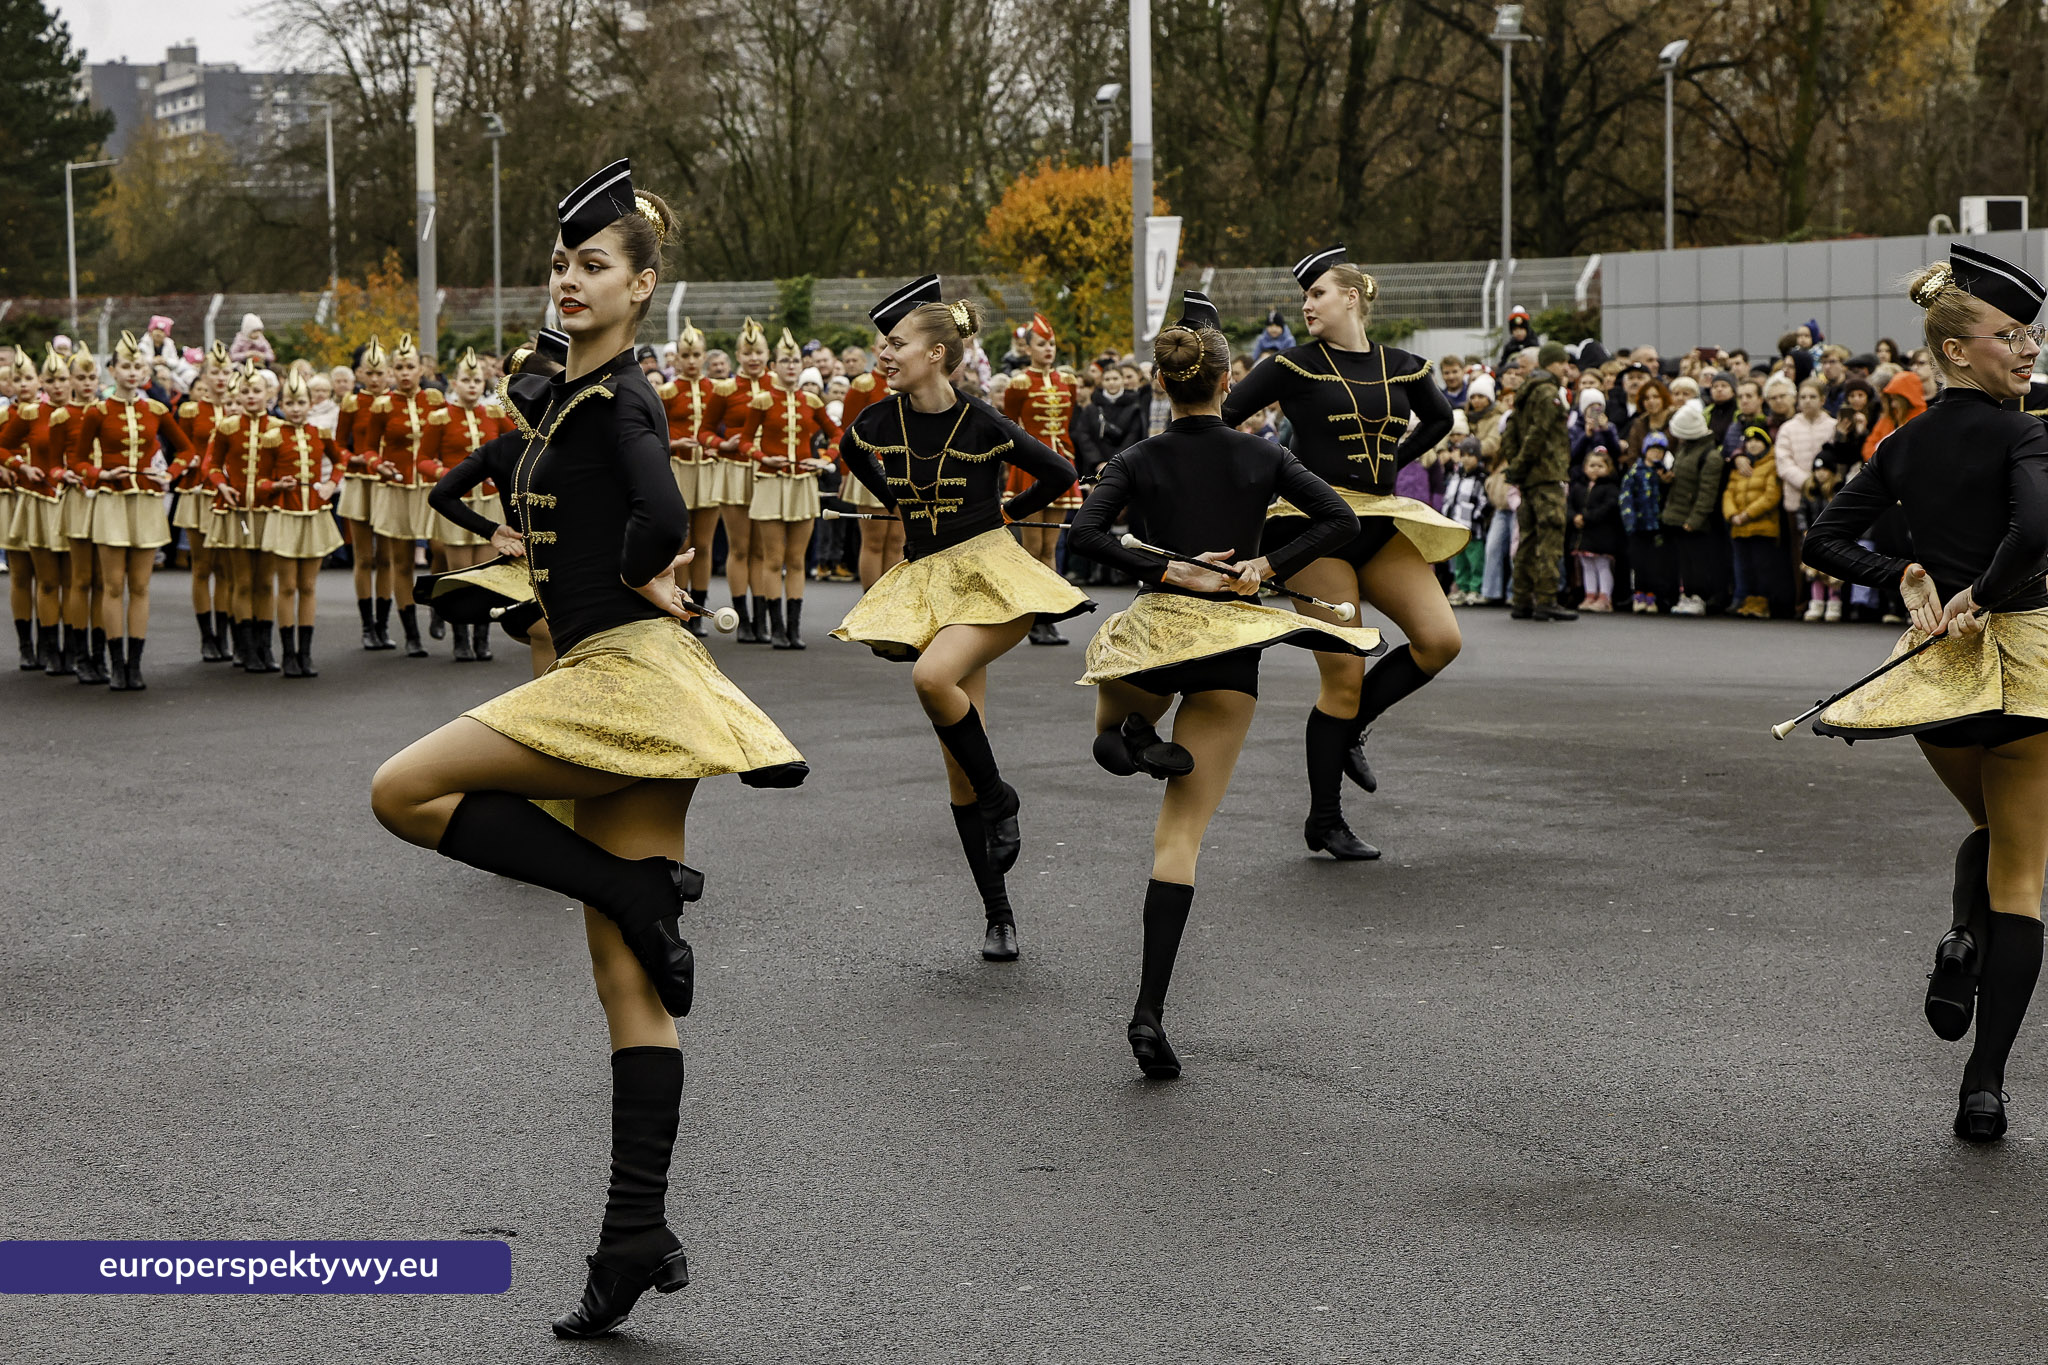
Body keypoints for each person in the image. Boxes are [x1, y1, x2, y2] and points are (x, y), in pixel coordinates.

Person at [377, 160, 808, 1339]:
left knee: (401, 790)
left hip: (615, 675)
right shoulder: (567, 392)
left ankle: (633, 887)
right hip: (630, 683)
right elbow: (566, 489)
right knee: (626, 977)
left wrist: (631, 578)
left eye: (595, 266)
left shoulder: (619, 396)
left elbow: (664, 518)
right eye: (562, 264)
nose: (570, 280)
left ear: (643, 286)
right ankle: (633, 1234)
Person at [1069, 312, 1380, 1078]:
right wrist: (1265, 568)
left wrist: (1167, 569)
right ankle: (1148, 1012)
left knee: (1109, 730)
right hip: (1230, 643)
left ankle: (1130, 738)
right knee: (1179, 841)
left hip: (1156, 634)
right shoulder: (1262, 454)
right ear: (1227, 382)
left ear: (1161, 384)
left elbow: (1084, 534)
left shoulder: (1138, 457)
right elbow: (1339, 519)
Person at [1801, 243, 2048, 1143]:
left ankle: (1958, 938)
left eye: (2032, 335)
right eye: (2011, 336)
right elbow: (2038, 528)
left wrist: (1901, 570)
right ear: (1956, 350)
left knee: (1992, 830)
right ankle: (1983, 1084)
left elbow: (1823, 539)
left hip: (1936, 673)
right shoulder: (2025, 431)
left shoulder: (1901, 442)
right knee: (2019, 870)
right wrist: (1983, 591)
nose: (2028, 349)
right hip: (2023, 665)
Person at [833, 274, 1093, 961]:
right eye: (881, 345)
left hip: (990, 579)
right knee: (957, 768)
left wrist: (1006, 512)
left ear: (937, 355)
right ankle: (998, 913)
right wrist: (893, 497)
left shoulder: (983, 421)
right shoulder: (877, 420)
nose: (882, 355)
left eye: (895, 344)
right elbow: (848, 453)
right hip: (926, 588)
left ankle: (1002, 796)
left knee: (930, 678)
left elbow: (1061, 474)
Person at [1218, 245, 1461, 860]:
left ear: (1351, 296)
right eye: (1305, 297)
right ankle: (1325, 820)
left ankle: (1348, 731)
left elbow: (1440, 420)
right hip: (1312, 528)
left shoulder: (1403, 365)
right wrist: (1271, 475)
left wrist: (1395, 464)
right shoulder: (1290, 366)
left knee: (1441, 640)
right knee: (1345, 675)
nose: (1307, 305)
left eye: (1318, 294)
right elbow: (1219, 420)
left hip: (1380, 523)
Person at [71, 331, 194, 691]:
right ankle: (114, 662)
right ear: (112, 370)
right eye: (125, 366)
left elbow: (186, 451)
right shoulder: (97, 411)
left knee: (140, 586)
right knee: (112, 586)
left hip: (145, 503)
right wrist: (99, 474)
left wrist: (168, 474)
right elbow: (78, 459)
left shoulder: (155, 409)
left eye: (138, 366)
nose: (132, 371)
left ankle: (134, 665)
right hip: (111, 500)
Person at [739, 327, 840, 648]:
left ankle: (794, 629)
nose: (791, 366)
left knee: (797, 560)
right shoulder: (762, 400)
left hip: (803, 485)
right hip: (770, 483)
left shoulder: (812, 399)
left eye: (796, 361)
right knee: (773, 559)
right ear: (775, 365)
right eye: (785, 361)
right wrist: (761, 457)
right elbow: (744, 441)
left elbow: (837, 435)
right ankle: (777, 627)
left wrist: (824, 459)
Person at [417, 348, 510, 662]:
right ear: (454, 383)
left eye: (476, 380)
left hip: (488, 502)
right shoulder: (440, 416)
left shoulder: (495, 415)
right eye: (465, 380)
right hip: (456, 504)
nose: (472, 385)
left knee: (486, 574)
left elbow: (513, 451)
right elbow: (423, 460)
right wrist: (447, 476)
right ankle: (460, 638)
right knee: (460, 574)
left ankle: (481, 637)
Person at [256, 367, 344, 676]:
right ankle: (288, 653)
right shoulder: (272, 436)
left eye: (301, 402)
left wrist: (331, 484)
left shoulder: (320, 433)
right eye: (289, 403)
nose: (295, 409)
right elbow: (260, 481)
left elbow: (339, 461)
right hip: (285, 516)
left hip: (314, 514)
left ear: (310, 404)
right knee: (288, 587)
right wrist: (276, 486)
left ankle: (305, 654)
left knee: (308, 586)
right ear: (281, 404)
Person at [999, 313, 1081, 642]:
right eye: (1041, 344)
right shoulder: (1018, 382)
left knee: (1051, 546)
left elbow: (1068, 421)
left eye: (1051, 344)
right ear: (1028, 348)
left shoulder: (1068, 381)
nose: (1048, 349)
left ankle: (1049, 613)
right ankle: (1032, 616)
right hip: (1029, 466)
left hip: (1060, 461)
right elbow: (1008, 424)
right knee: (1032, 547)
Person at [367, 334, 444, 658]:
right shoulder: (383, 405)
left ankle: (439, 609)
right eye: (398, 367)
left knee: (441, 550)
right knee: (401, 562)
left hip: (430, 487)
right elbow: (369, 447)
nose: (404, 372)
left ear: (421, 368)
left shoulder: (435, 399)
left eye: (410, 366)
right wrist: (377, 464)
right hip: (397, 489)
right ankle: (411, 633)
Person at [0, 353, 71, 674]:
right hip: (19, 498)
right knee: (22, 575)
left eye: (29, 378)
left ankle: (59, 644)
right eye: (18, 379)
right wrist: (13, 466)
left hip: (55, 496)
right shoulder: (10, 415)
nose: (24, 385)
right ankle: (29, 645)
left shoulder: (61, 413)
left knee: (62, 577)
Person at [654, 319, 722, 631]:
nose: (692, 361)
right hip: (678, 470)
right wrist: (672, 443)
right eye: (686, 355)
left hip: (708, 469)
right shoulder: (666, 392)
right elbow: (651, 436)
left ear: (705, 357)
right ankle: (679, 605)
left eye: (697, 355)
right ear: (677, 358)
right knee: (682, 544)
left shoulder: (717, 390)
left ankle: (701, 611)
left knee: (704, 545)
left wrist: (717, 445)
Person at [1502, 341, 1577, 622]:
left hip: (1530, 478)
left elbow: (1510, 431)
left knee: (1528, 538)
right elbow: (1539, 433)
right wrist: (1521, 464)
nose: (1565, 368)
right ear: (1550, 363)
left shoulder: (1525, 391)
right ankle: (1546, 599)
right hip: (1547, 475)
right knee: (1549, 538)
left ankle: (1521, 599)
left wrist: (1516, 466)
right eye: (1562, 363)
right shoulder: (1548, 392)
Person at [835, 338, 905, 587]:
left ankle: (892, 604)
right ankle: (870, 605)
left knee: (898, 542)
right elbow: (847, 434)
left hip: (904, 469)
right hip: (870, 468)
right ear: (874, 351)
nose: (888, 352)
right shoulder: (863, 385)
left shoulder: (909, 381)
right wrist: (845, 474)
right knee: (874, 541)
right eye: (882, 346)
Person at [340, 339, 393, 649]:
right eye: (369, 373)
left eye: (380, 373)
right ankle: (366, 625)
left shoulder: (395, 402)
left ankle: (383, 625)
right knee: (364, 557)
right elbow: (336, 445)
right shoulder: (351, 403)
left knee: (386, 558)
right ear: (359, 374)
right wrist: (351, 459)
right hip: (360, 483)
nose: (375, 379)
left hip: (389, 485)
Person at [1661, 399, 1726, 615]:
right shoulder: (1684, 449)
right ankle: (1686, 594)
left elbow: (1708, 493)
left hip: (1693, 518)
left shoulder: (1711, 456)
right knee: (1684, 559)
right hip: (1677, 512)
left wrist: (1695, 519)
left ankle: (1698, 596)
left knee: (1697, 560)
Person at [1722, 423, 1782, 619]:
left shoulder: (1772, 464)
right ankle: (1745, 599)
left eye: (1758, 441)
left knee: (1761, 566)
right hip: (1739, 527)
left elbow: (1771, 496)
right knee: (1742, 565)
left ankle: (1762, 601)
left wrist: (1747, 514)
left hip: (1762, 527)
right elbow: (1728, 493)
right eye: (1749, 441)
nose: (1753, 445)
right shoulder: (1741, 466)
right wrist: (1732, 515)